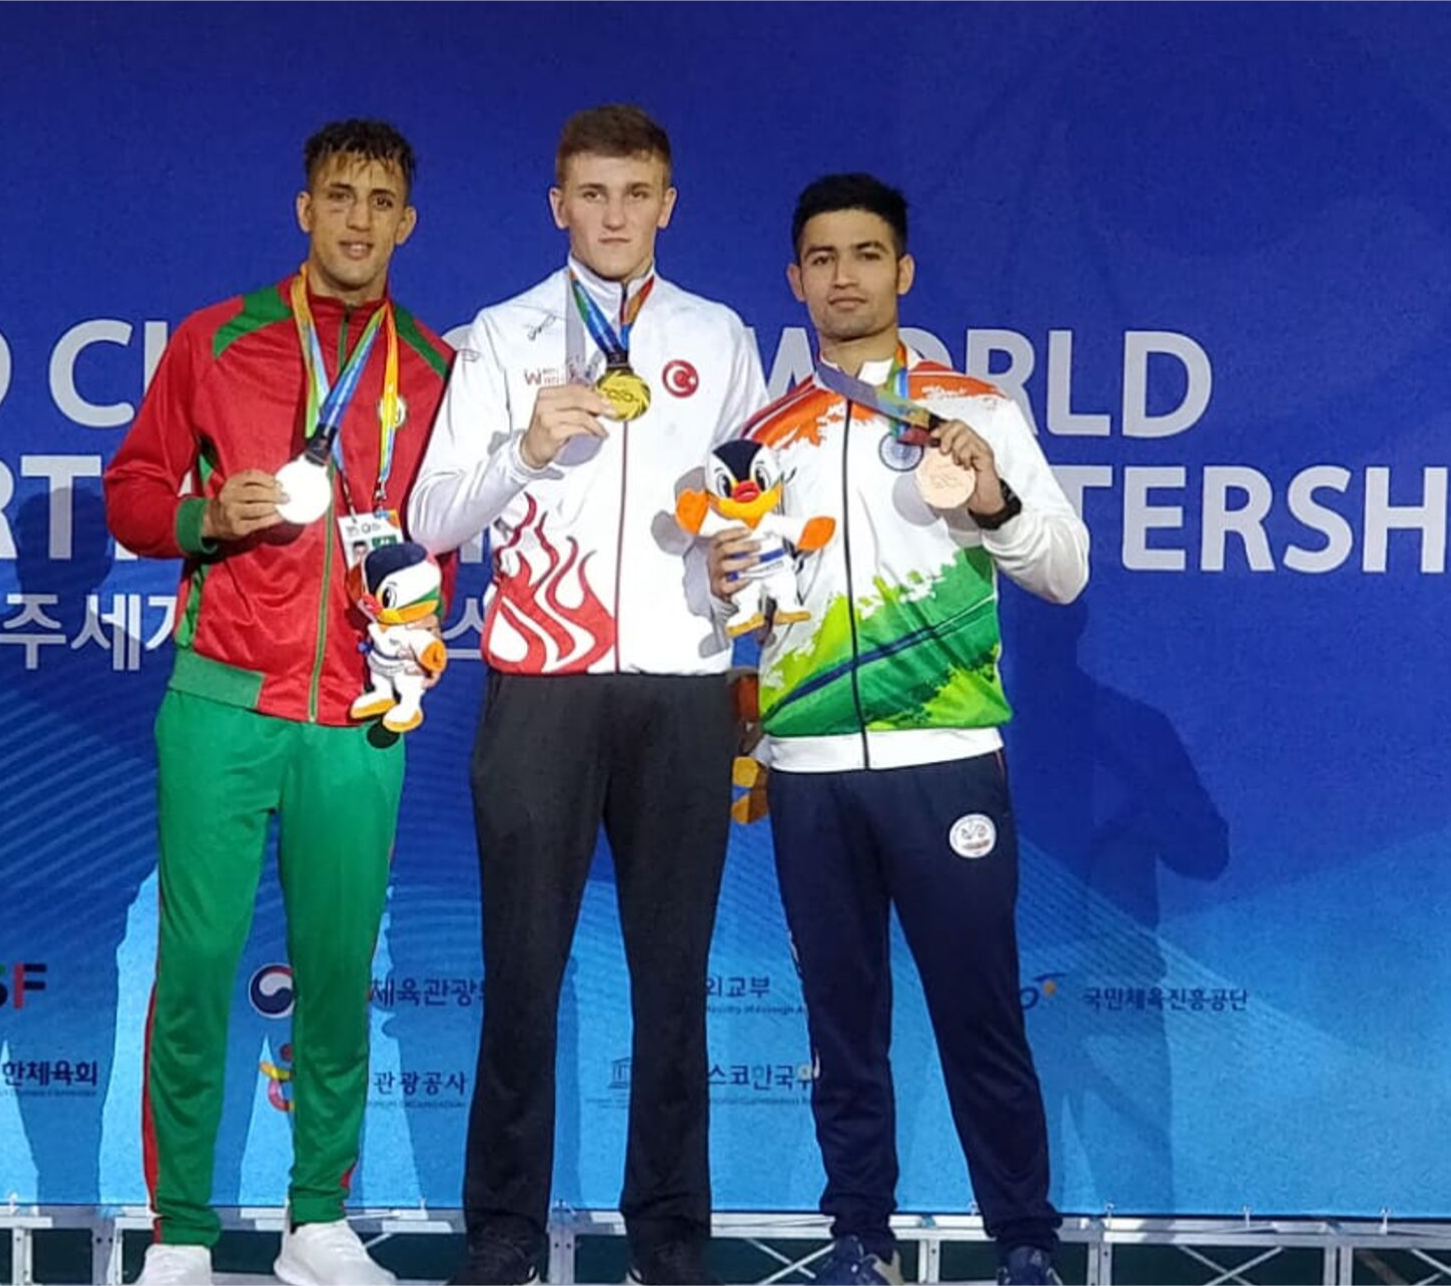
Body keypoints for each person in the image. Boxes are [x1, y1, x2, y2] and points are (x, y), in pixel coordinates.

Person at [407, 104, 767, 1286]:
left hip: (682, 687)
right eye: (592, 194)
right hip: (540, 687)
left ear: (668, 204)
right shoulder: (500, 336)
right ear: (557, 204)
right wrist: (520, 448)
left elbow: (753, 508)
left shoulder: (717, 337)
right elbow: (430, 518)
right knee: (520, 971)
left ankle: (669, 1234)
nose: (614, 215)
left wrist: (738, 560)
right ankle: (502, 1231)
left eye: (636, 193)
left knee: (672, 980)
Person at [710, 172, 1090, 1286]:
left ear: (903, 272)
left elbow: (1064, 570)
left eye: (866, 255)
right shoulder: (759, 438)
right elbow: (735, 607)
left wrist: (991, 501)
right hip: (809, 768)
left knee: (979, 1011)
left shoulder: (977, 411)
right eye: (822, 258)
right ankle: (858, 1239)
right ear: (794, 279)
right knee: (840, 1024)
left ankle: (1023, 1242)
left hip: (947, 759)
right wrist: (720, 581)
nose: (844, 278)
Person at [104, 119, 454, 1286]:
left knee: (338, 965)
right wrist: (204, 516)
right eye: (338, 195)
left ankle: (317, 1219)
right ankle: (181, 1231)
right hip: (222, 695)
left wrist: (415, 627)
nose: (358, 218)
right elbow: (131, 491)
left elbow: (442, 533)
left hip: (358, 710)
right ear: (303, 209)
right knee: (197, 961)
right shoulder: (217, 339)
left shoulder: (435, 367)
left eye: (380, 200)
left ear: (406, 222)